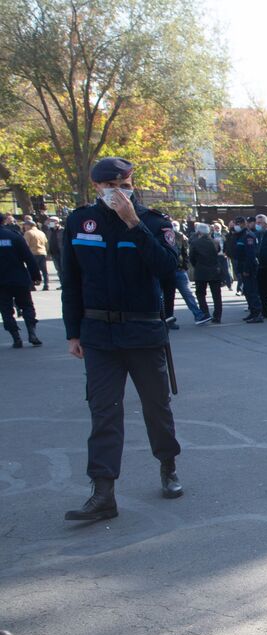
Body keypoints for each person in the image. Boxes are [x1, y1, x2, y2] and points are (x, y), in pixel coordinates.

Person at [60, 156, 185, 522]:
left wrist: (133, 223)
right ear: (97, 187)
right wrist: (72, 333)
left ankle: (168, 467)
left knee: (156, 408)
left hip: (144, 330)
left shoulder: (153, 222)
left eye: (123, 184)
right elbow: (72, 281)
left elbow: (168, 268)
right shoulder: (80, 222)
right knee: (103, 413)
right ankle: (103, 492)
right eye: (110, 186)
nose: (117, 191)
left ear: (133, 182)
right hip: (99, 335)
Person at [0, 218, 43, 348]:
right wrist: (36, 275)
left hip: (1, 283)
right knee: (27, 306)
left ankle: (16, 338)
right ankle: (32, 333)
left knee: (6, 310)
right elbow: (28, 258)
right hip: (19, 278)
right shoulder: (14, 237)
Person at [162, 225, 209, 326]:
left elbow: (185, 252)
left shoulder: (179, 236)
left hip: (179, 269)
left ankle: (198, 315)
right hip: (167, 270)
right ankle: (167, 319)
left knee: (187, 294)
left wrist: (184, 266)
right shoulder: (160, 235)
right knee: (166, 296)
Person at [189, 223, 225, 323]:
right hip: (214, 270)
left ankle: (205, 313)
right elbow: (218, 252)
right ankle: (217, 316)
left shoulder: (195, 243)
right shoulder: (215, 242)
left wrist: (197, 265)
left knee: (201, 294)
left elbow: (191, 257)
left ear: (199, 232)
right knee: (216, 295)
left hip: (201, 271)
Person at [22, 219, 49, 290]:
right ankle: (46, 284)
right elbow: (46, 243)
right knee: (44, 270)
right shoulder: (41, 233)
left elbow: (25, 244)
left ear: (29, 226)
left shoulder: (28, 233)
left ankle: (32, 285)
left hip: (33, 253)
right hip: (42, 252)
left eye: (25, 225)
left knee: (31, 270)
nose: (24, 226)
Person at [45, 217, 63, 282]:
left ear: (56, 222)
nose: (49, 223)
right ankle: (62, 284)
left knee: (64, 269)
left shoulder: (63, 230)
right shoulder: (49, 231)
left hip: (62, 253)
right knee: (58, 269)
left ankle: (67, 284)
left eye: (51, 222)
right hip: (53, 253)